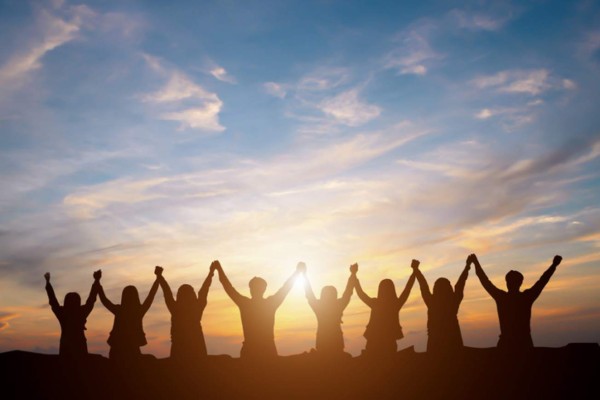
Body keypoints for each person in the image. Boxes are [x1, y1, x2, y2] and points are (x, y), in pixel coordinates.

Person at [214, 260, 303, 360]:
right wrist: (297, 272)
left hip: (252, 351)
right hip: (265, 351)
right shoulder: (270, 303)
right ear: (264, 289)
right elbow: (285, 288)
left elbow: (228, 287)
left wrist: (219, 269)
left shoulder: (245, 304)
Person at [472, 253, 562, 352]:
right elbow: (542, 281)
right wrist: (554, 265)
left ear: (507, 283)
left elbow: (485, 281)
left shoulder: (502, 297)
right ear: (520, 283)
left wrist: (476, 263)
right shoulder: (526, 297)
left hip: (507, 346)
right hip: (524, 344)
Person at [95, 267, 160, 361]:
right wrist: (158, 278)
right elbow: (151, 296)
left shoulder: (119, 310)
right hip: (132, 351)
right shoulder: (139, 311)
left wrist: (97, 281)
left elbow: (104, 300)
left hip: (116, 351)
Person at [354, 261, 416, 357]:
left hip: (373, 343)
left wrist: (354, 275)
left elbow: (361, 294)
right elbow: (407, 289)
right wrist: (414, 272)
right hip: (389, 344)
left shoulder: (375, 303)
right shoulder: (395, 304)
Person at [156, 263, 215, 360]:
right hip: (197, 350)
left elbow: (167, 292)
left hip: (179, 350)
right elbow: (204, 291)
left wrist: (160, 276)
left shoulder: (175, 309)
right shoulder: (197, 308)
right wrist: (210, 273)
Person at [412, 257, 469, 355]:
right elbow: (460, 284)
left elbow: (423, 286)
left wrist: (416, 270)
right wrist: (467, 267)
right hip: (454, 343)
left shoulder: (432, 303)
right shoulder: (453, 302)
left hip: (435, 345)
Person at [44, 270, 100, 358]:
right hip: (79, 346)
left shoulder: (63, 313)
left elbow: (53, 301)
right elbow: (91, 300)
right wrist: (96, 281)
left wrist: (48, 283)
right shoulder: (81, 312)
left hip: (66, 346)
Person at [303, 263, 355, 356]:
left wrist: (304, 275)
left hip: (322, 344)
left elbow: (309, 294)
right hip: (336, 343)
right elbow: (348, 293)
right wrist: (353, 274)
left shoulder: (319, 307)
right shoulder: (338, 306)